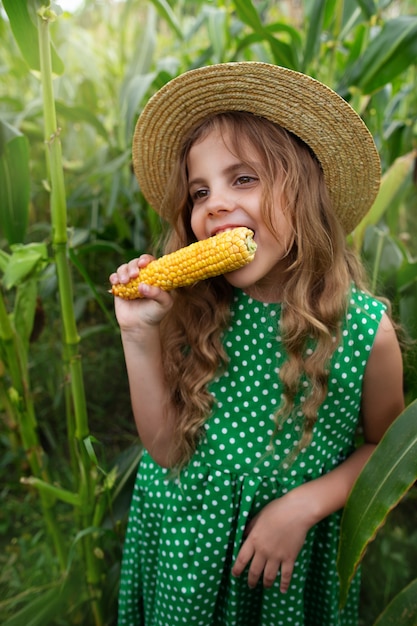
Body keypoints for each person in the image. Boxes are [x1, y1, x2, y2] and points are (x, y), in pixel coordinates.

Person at [109, 62, 404, 626]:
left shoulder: (367, 332)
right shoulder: (195, 308)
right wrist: (139, 334)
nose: (214, 203)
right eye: (200, 192)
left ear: (306, 194)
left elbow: (385, 452)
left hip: (282, 567)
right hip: (186, 546)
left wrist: (302, 506)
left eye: (242, 179)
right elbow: (168, 450)